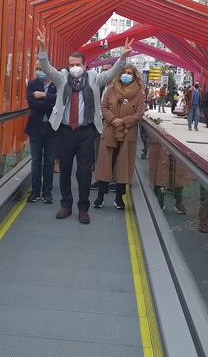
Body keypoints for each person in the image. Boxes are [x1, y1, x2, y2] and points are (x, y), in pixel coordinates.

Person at [36, 28, 133, 224]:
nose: (74, 68)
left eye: (78, 64)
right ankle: (65, 205)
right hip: (64, 131)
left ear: (85, 65)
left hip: (86, 132)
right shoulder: (62, 77)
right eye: (71, 65)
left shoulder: (95, 79)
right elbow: (47, 68)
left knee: (83, 172)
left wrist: (122, 58)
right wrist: (43, 47)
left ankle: (83, 208)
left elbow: (113, 73)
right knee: (64, 171)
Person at [92, 64, 146, 210]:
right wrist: (112, 119)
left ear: (135, 77)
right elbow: (103, 107)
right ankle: (100, 196)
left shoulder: (139, 94)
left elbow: (139, 113)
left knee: (123, 165)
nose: (126, 75)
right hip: (110, 130)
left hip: (128, 133)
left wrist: (123, 121)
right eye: (124, 72)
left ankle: (119, 198)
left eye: (130, 73)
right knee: (105, 163)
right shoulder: (111, 89)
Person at [24, 64, 58, 203]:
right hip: (35, 128)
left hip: (52, 128)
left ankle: (47, 192)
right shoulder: (32, 84)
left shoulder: (57, 84)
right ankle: (35, 191)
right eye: (36, 69)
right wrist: (49, 101)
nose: (39, 71)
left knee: (49, 162)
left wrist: (43, 96)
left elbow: (60, 102)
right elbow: (31, 103)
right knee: (36, 161)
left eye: (41, 68)